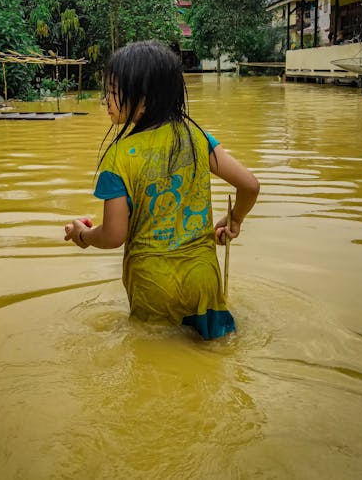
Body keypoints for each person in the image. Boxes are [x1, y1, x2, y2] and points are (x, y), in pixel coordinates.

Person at [64, 41, 260, 340]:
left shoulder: (117, 159)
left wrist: (83, 235)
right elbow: (250, 185)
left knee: (152, 361)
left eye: (114, 91)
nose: (105, 100)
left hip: (150, 282)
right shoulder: (195, 137)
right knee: (214, 356)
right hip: (202, 277)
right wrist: (235, 218)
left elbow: (114, 236)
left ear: (144, 100)